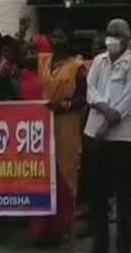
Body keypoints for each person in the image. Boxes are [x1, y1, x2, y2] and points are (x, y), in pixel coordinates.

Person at [84, 19, 131, 253]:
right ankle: (100, 244)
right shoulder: (98, 62)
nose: (112, 38)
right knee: (97, 194)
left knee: (123, 196)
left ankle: (123, 247)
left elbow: (128, 101)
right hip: (95, 133)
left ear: (127, 40)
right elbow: (91, 90)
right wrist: (104, 109)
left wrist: (108, 121)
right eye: (110, 33)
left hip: (121, 137)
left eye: (117, 35)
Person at [30, 26, 87, 247]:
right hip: (42, 126)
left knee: (65, 176)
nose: (57, 39)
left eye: (61, 35)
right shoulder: (42, 60)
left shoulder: (77, 66)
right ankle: (43, 231)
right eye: (54, 35)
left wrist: (63, 105)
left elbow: (84, 97)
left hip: (66, 126)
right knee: (43, 176)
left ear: (68, 39)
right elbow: (15, 57)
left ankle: (64, 230)